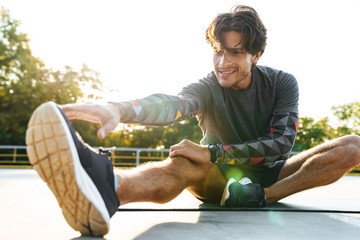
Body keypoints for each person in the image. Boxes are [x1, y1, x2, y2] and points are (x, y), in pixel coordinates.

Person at [26, 5, 360, 237]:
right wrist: (117, 109)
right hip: (216, 177)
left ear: (255, 55)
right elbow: (174, 105)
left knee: (352, 146)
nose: (222, 62)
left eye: (234, 52)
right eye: (218, 50)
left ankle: (262, 196)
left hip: (271, 173)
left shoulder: (282, 82)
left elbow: (282, 142)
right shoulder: (208, 86)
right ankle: (109, 189)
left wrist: (218, 153)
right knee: (185, 161)